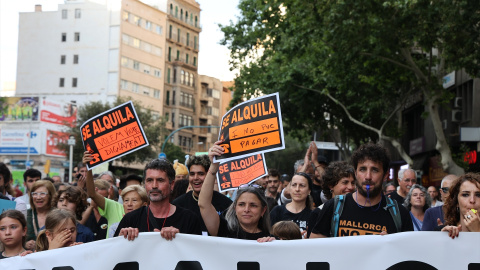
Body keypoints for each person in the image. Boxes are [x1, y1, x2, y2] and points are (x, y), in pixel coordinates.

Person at [310, 143, 413, 238]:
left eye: (375, 170)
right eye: (362, 169)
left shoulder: (400, 214)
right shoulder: (333, 207)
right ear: (355, 173)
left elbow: (408, 255)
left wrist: (391, 244)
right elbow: (314, 251)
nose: (368, 176)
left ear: (385, 175)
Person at [198, 141, 273, 241]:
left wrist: (273, 244)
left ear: (263, 210)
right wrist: (213, 166)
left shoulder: (270, 240)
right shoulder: (224, 230)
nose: (246, 209)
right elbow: (204, 204)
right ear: (234, 208)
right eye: (241, 204)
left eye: (253, 205)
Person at [114, 158, 202, 240]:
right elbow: (113, 253)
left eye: (160, 180)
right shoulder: (130, 219)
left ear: (171, 185)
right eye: (149, 180)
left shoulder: (189, 219)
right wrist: (121, 239)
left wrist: (180, 238)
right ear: (144, 184)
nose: (154, 186)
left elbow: (196, 253)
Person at [172, 155, 231, 234]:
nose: (196, 178)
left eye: (200, 174)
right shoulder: (177, 204)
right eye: (192, 174)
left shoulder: (226, 204)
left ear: (209, 175)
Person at [307, 161, 355, 237]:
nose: (350, 187)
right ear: (331, 185)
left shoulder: (357, 209)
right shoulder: (318, 213)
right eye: (345, 182)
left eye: (353, 183)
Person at [270, 173, 313, 237]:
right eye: (294, 185)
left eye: (302, 185)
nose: (297, 189)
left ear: (309, 190)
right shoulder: (277, 211)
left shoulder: (313, 215)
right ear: (289, 188)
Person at [441, 173, 480, 238]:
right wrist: (442, 238)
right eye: (465, 195)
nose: (472, 200)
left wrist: (477, 231)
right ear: (456, 202)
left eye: (478, 195)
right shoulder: (443, 231)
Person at [26, 180, 56, 250]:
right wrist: (26, 244)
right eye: (35, 194)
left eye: (42, 193)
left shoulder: (58, 215)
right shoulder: (26, 215)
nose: (38, 197)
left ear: (50, 196)